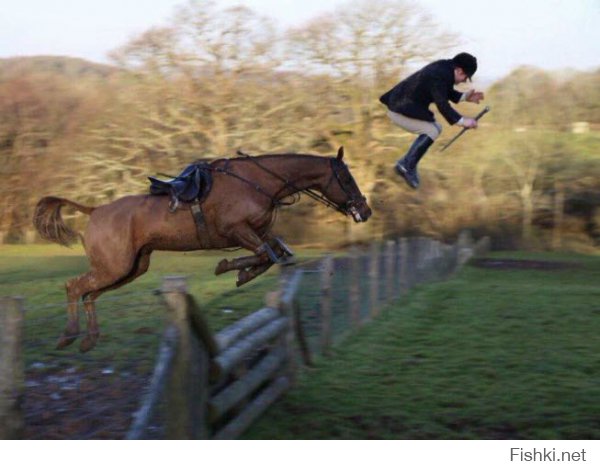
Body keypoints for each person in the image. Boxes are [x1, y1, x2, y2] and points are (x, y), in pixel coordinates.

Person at [379, 52, 485, 189]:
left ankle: (406, 163)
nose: (464, 81)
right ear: (458, 70)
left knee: (436, 128)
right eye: (465, 76)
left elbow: (445, 92)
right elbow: (442, 103)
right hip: (399, 109)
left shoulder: (443, 69)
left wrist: (465, 97)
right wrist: (462, 121)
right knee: (432, 130)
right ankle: (406, 165)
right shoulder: (439, 75)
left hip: (402, 106)